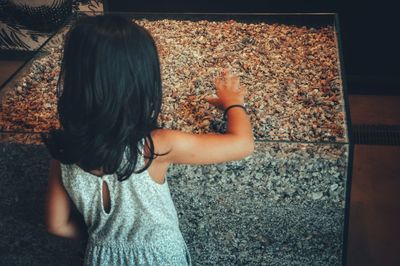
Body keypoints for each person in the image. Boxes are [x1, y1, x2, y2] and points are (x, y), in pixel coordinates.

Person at [44, 14, 254, 266]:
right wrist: (234, 103)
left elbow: (57, 225)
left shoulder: (64, 151)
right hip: (160, 257)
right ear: (141, 83)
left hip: (100, 258)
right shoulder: (155, 146)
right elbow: (242, 144)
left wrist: (104, 240)